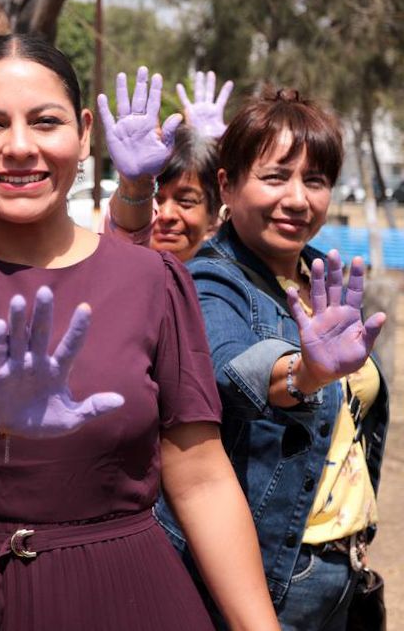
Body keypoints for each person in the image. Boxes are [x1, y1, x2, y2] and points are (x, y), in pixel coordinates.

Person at [0, 34, 279, 630]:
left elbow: (200, 478)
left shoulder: (153, 278)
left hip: (131, 599)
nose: (20, 147)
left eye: (45, 122)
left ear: (84, 132)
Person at [153, 89, 389, 630]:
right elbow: (232, 370)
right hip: (270, 575)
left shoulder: (321, 279)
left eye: (315, 180)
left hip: (344, 573)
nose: (298, 199)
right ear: (227, 185)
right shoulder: (208, 280)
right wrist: (305, 373)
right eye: (276, 176)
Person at [98, 67, 223, 262]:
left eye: (186, 201)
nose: (165, 215)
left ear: (214, 216)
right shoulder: (120, 268)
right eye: (155, 198)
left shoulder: (228, 284)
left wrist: (214, 145)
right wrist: (137, 185)